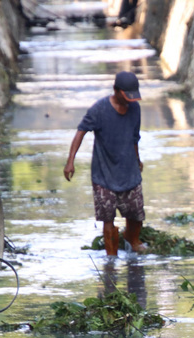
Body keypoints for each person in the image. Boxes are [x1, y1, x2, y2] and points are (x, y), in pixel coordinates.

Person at [64, 71, 145, 255]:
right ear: (116, 91)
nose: (129, 101)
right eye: (126, 96)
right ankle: (111, 257)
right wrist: (70, 162)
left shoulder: (135, 109)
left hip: (129, 172)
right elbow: (81, 132)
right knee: (108, 219)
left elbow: (134, 138)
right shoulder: (99, 110)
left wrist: (138, 160)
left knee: (136, 215)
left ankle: (132, 241)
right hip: (104, 175)